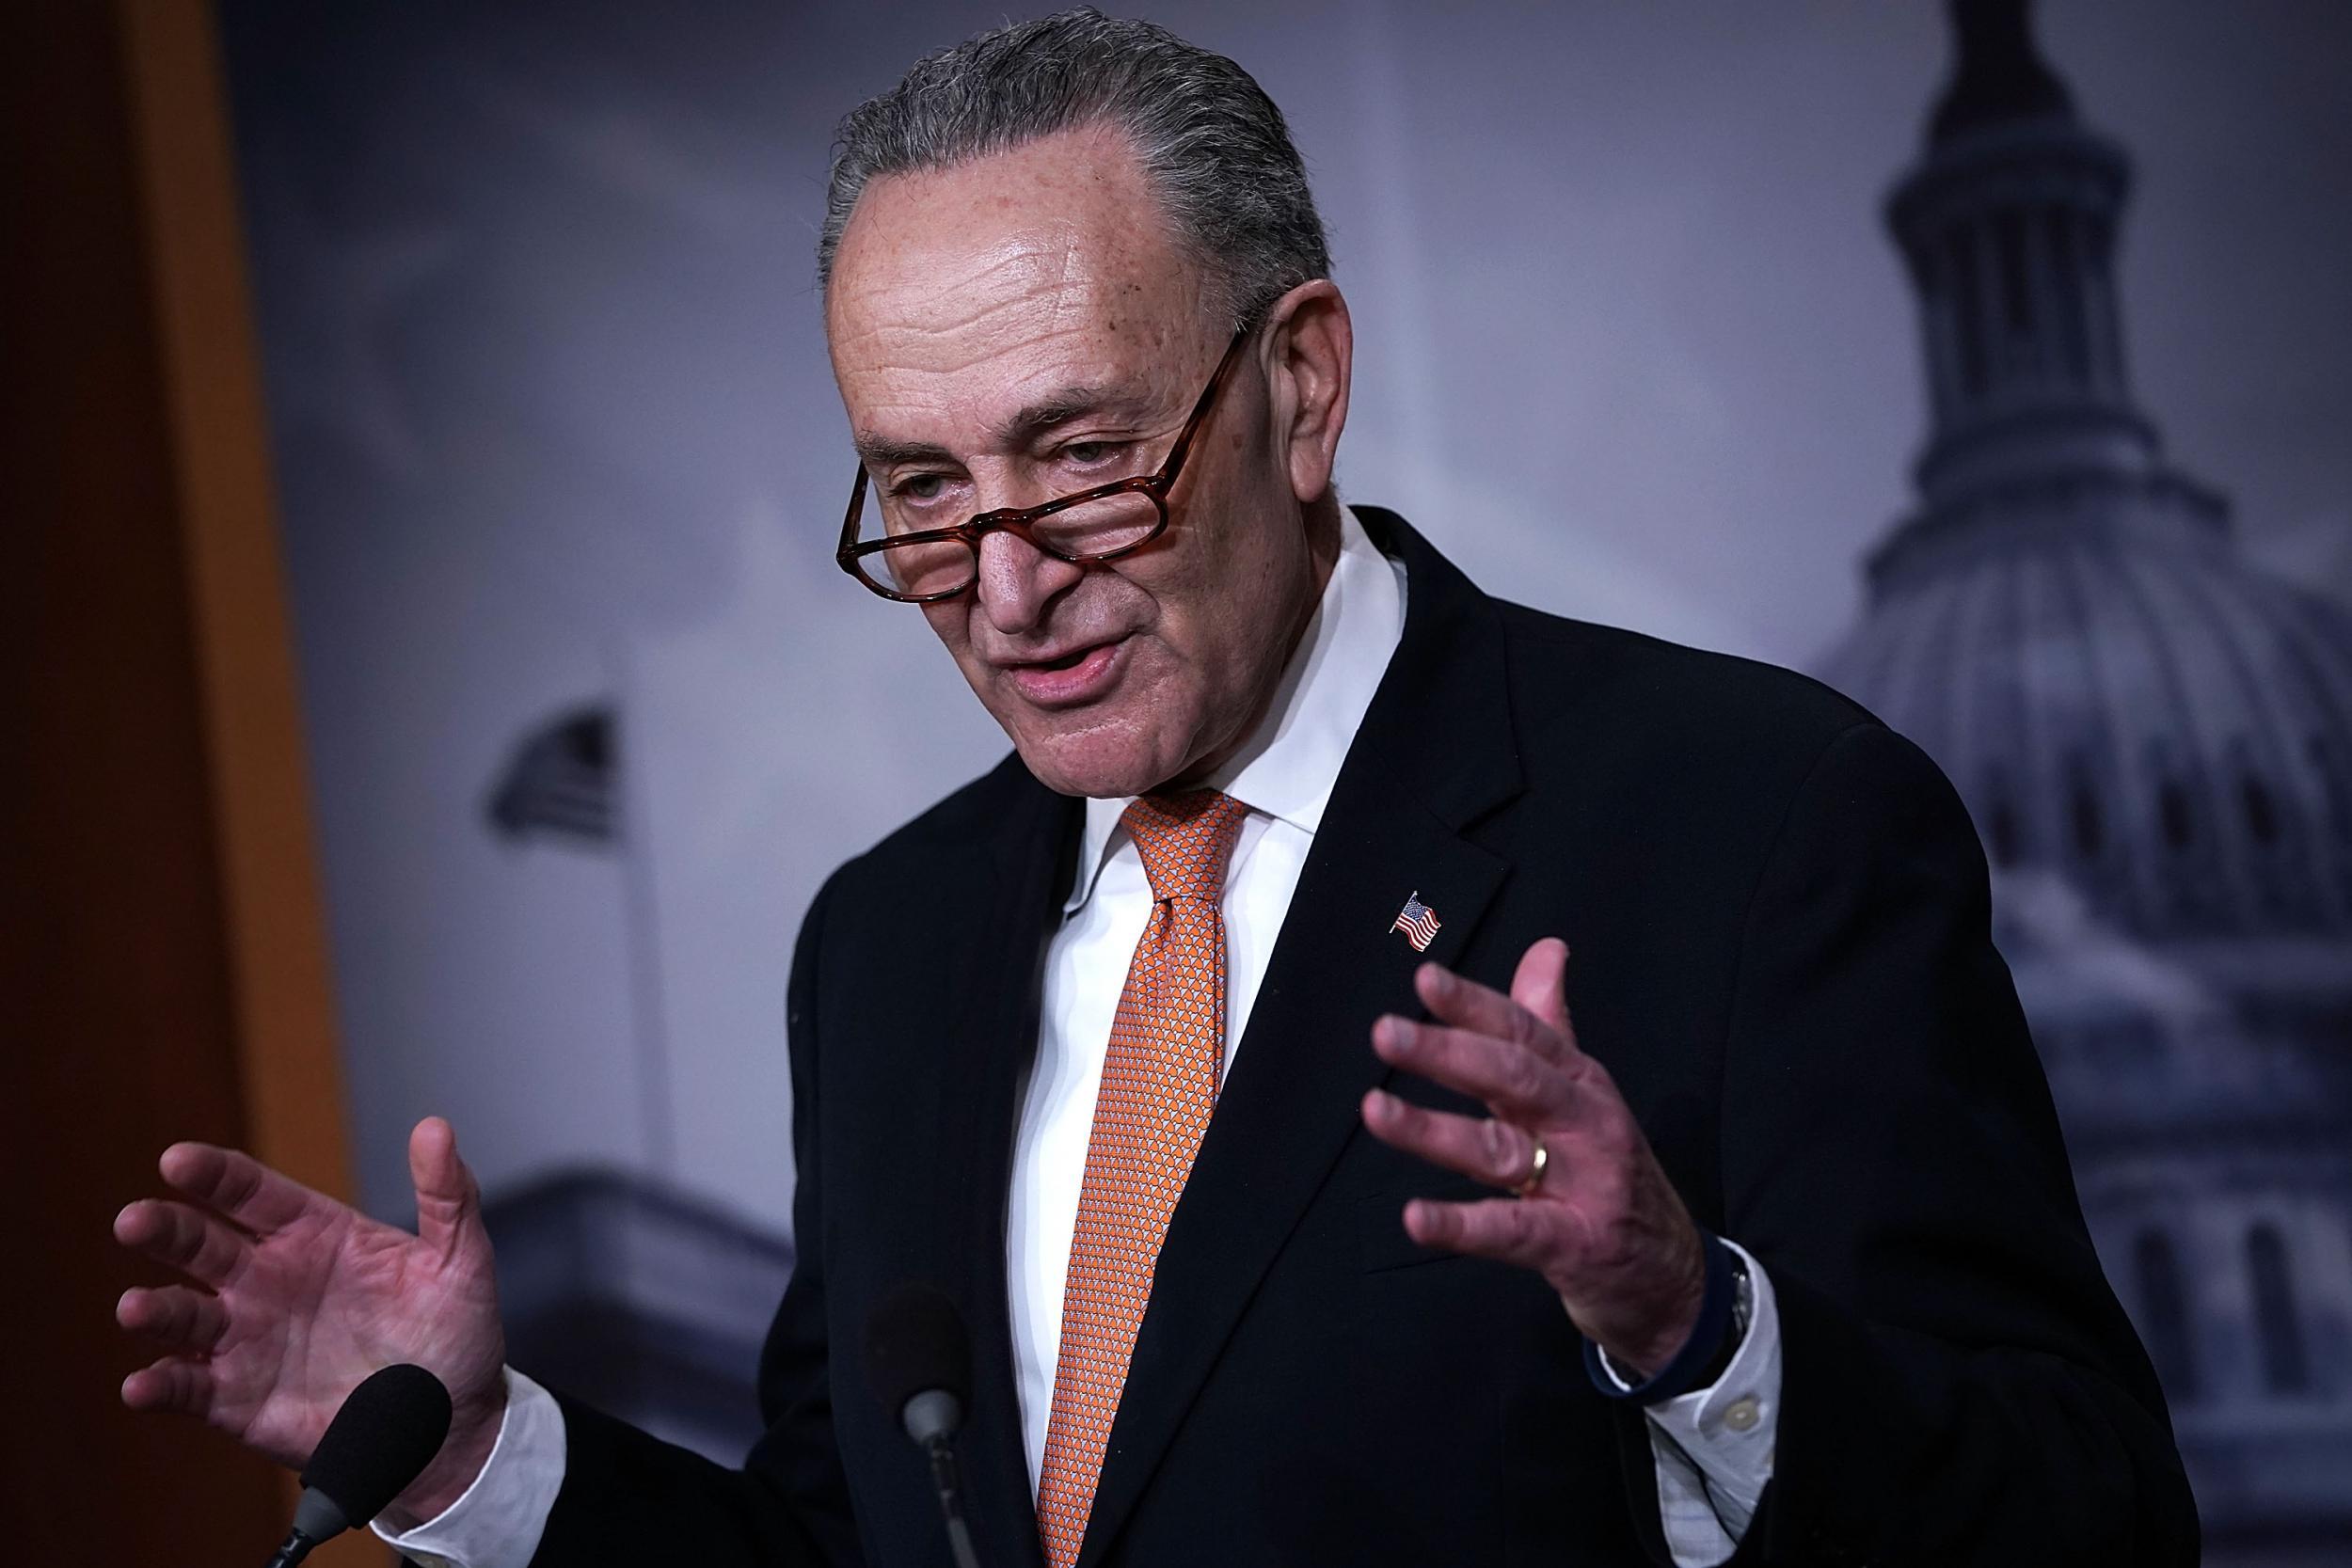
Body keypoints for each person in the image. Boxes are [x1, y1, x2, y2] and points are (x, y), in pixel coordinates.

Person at [113, 11, 2197, 1565]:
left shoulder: (1758, 826)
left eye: (1081, 458)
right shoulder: (888, 942)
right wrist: (485, 1455)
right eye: (922, 493)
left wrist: (1687, 1324)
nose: (1003, 590)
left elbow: (2087, 1525)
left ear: (1300, 385)